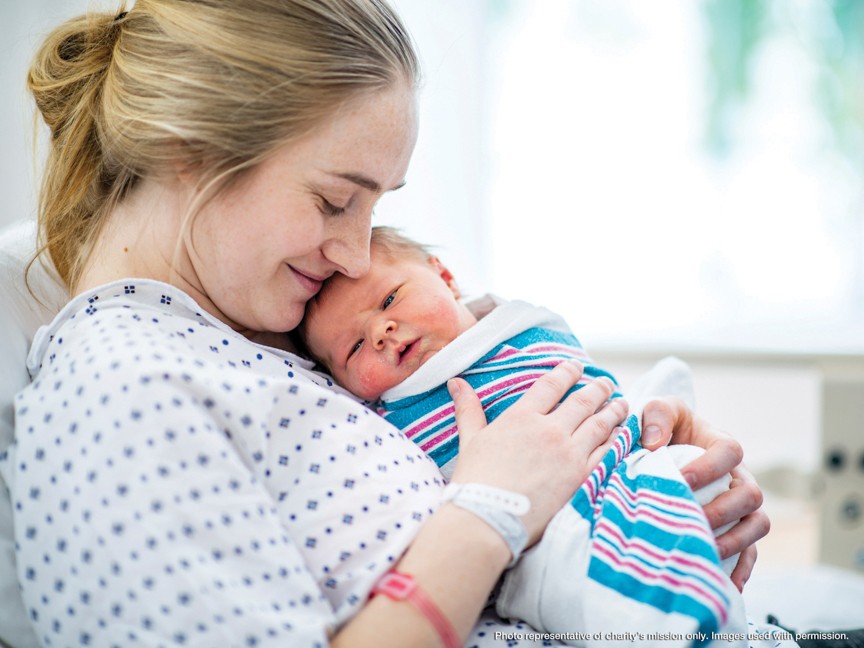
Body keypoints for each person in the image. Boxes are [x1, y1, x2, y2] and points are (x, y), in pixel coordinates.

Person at [0, 1, 769, 646]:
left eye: (377, 207)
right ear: (187, 151)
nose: (355, 252)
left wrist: (647, 481)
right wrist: (491, 508)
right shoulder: (124, 396)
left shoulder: (256, 341)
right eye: (336, 200)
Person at [298, 226, 762, 644]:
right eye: (355, 347)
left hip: (627, 453)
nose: (381, 331)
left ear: (444, 275)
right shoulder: (385, 418)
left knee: (681, 463)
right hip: (557, 522)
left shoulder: (514, 327)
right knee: (605, 576)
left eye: (390, 299)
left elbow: (589, 381)